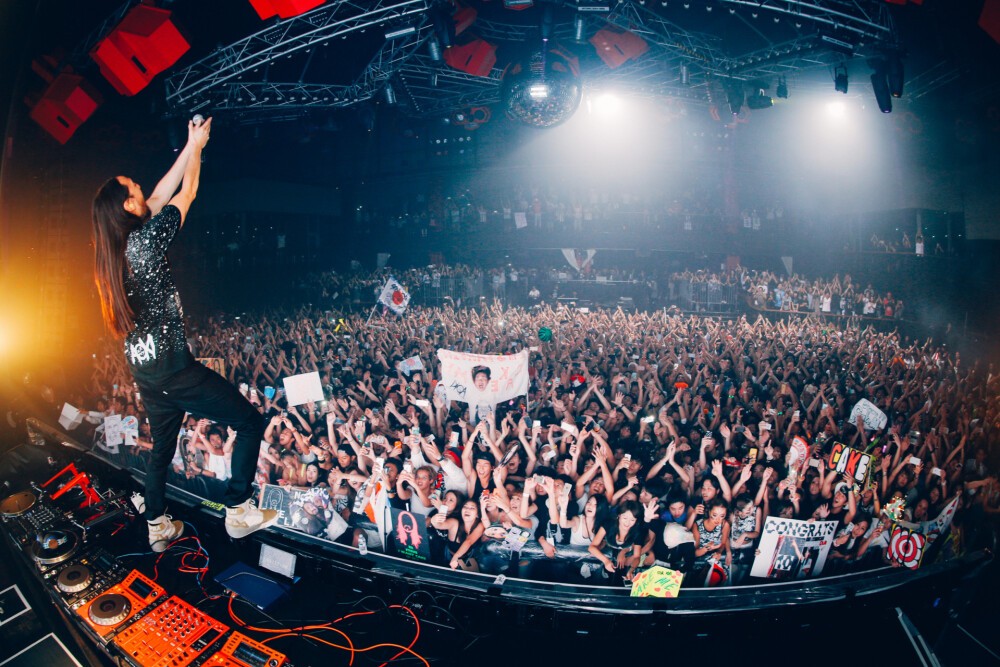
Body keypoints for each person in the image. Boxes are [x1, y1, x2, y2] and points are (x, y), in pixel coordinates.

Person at [91, 117, 277, 551]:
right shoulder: (143, 243)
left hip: (146, 373)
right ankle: (238, 511)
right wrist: (200, 150)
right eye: (134, 189)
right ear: (128, 206)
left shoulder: (112, 252)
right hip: (174, 371)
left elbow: (160, 194)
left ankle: (157, 525)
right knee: (249, 421)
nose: (143, 188)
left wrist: (192, 144)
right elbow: (185, 192)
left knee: (162, 448)